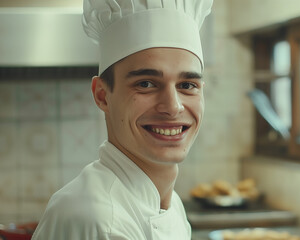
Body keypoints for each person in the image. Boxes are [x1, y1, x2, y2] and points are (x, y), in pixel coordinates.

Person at [31, 0, 212, 239]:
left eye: (188, 85)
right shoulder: (102, 223)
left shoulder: (171, 204)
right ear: (102, 96)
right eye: (146, 84)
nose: (173, 106)